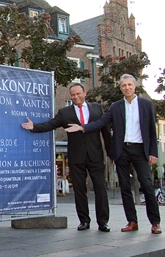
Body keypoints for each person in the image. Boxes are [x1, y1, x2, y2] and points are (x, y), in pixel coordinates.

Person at [65, 74, 161, 234]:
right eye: (124, 85)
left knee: (147, 185)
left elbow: (152, 130)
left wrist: (153, 152)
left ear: (135, 86)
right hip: (122, 151)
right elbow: (101, 122)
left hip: (140, 150)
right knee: (124, 187)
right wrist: (83, 127)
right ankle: (132, 221)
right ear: (121, 88)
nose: (127, 88)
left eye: (129, 85)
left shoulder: (146, 104)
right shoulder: (116, 107)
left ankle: (155, 222)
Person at [21, 83, 112, 232]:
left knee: (100, 189)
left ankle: (103, 222)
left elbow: (105, 132)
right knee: (79, 190)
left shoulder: (97, 108)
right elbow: (51, 124)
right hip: (76, 157)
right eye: (73, 95)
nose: (75, 97)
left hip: (96, 156)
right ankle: (84, 221)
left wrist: (111, 152)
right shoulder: (65, 112)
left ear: (85, 93)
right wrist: (34, 127)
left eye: (78, 94)